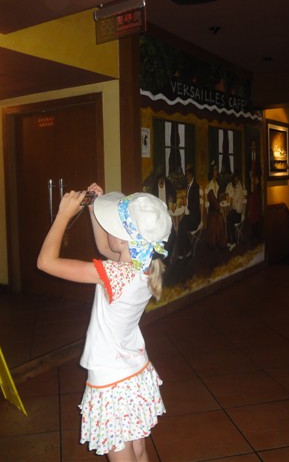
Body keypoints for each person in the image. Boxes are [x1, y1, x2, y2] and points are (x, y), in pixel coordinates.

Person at [36, 183, 171, 460]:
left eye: (111, 226)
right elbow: (105, 247)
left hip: (111, 380)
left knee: (122, 454)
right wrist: (92, 209)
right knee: (138, 449)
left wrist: (63, 215)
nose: (107, 230)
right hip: (136, 369)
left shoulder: (113, 273)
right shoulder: (145, 266)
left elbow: (45, 262)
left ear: (122, 241)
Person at [176, 165, 201, 259]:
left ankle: (182, 252)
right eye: (186, 175)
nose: (186, 177)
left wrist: (187, 203)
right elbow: (187, 200)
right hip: (188, 216)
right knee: (180, 227)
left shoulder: (195, 186)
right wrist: (183, 203)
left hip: (194, 218)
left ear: (191, 175)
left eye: (188, 175)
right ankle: (187, 249)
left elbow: (195, 205)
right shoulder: (188, 185)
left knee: (181, 228)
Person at [205, 161, 227, 249]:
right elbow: (213, 200)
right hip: (212, 211)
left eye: (216, 170)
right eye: (214, 170)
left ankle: (220, 243)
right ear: (212, 172)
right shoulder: (210, 185)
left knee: (221, 218)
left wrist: (222, 198)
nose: (216, 172)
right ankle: (215, 244)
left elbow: (218, 197)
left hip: (217, 209)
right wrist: (219, 205)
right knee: (220, 219)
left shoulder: (217, 184)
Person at [225, 174, 245, 251]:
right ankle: (230, 240)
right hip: (235, 211)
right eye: (234, 180)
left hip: (239, 214)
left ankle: (233, 242)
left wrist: (232, 201)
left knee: (229, 218)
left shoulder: (239, 188)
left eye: (236, 180)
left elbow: (233, 202)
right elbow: (232, 200)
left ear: (238, 179)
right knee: (228, 216)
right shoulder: (236, 186)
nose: (235, 181)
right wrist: (231, 199)